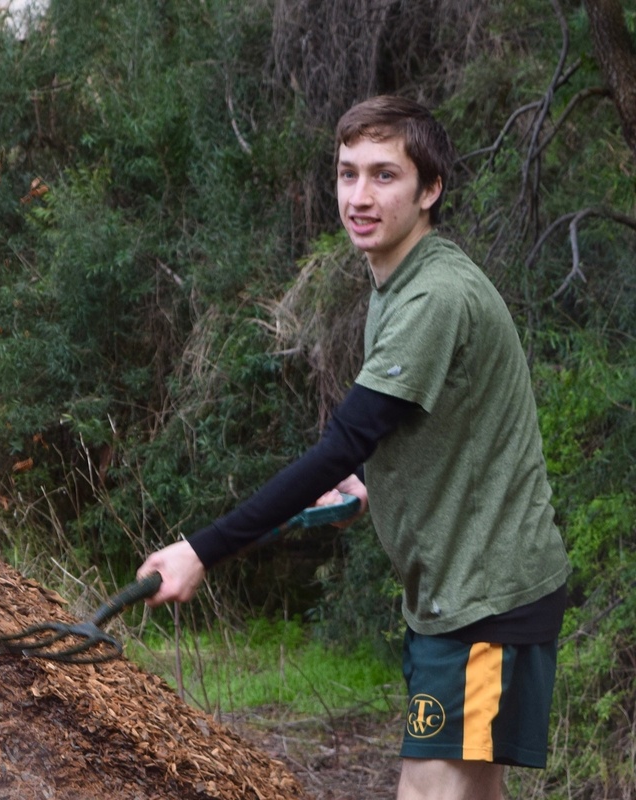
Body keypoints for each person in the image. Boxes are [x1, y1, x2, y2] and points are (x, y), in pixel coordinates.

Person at [136, 95, 570, 800]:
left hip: (484, 602)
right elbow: (417, 425)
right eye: (347, 174)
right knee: (470, 792)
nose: (359, 197)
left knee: (428, 790)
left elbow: (344, 440)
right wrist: (370, 482)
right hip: (469, 592)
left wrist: (200, 551)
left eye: (383, 176)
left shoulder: (432, 298)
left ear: (431, 189)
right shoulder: (400, 280)